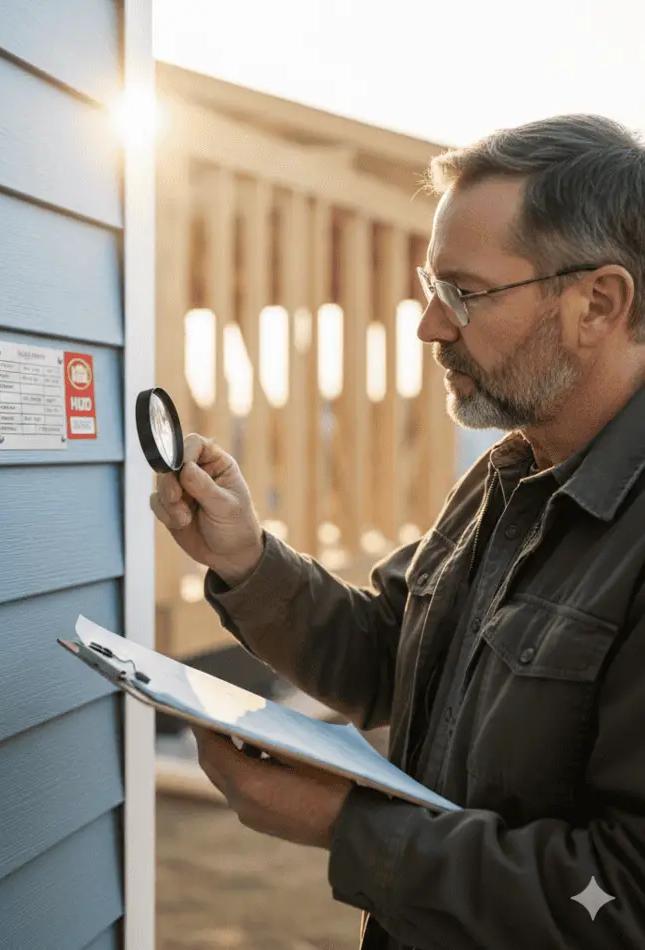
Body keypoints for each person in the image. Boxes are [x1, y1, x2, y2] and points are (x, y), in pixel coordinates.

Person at [151, 115, 645, 949]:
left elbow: (621, 900)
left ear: (597, 303)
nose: (429, 325)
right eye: (429, 286)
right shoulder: (507, 475)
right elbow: (389, 652)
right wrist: (244, 557)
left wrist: (349, 827)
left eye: (463, 292)